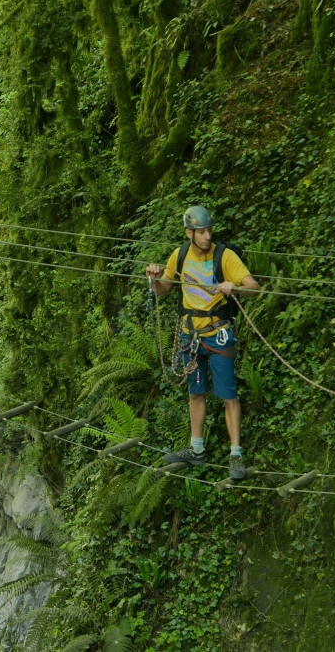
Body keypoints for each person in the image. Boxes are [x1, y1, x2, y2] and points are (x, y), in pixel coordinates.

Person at [145, 205, 261, 480]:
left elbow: (254, 288)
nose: (207, 236)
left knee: (228, 396)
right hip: (190, 335)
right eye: (201, 231)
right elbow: (163, 290)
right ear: (190, 233)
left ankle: (235, 455)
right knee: (195, 393)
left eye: (209, 230)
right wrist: (153, 280)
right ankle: (197, 449)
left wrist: (235, 287)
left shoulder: (225, 256)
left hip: (218, 333)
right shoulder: (180, 255)